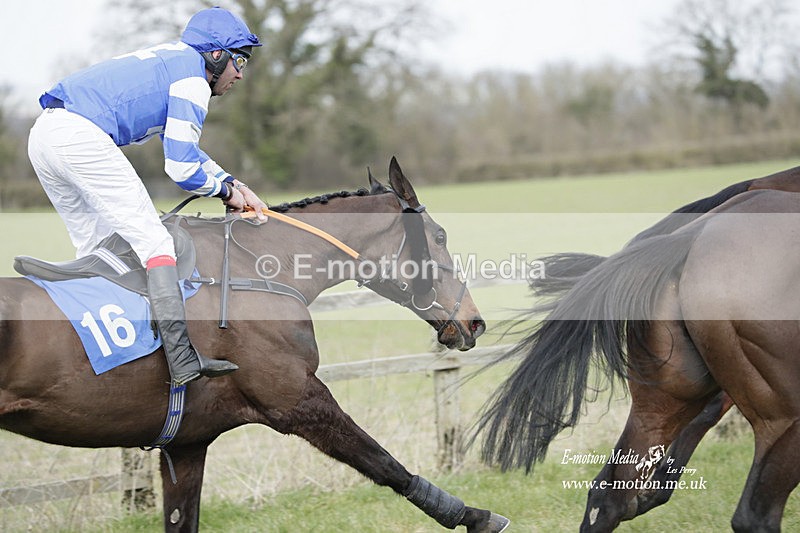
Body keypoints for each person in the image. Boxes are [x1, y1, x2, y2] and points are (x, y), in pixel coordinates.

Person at [27, 6, 269, 386]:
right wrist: (224, 193)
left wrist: (234, 184)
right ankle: (181, 358)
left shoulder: (175, 62)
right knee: (155, 242)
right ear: (216, 55)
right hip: (80, 136)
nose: (240, 73)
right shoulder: (192, 81)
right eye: (239, 60)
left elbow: (184, 149)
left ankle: (103, 352)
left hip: (45, 134)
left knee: (99, 246)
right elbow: (182, 169)